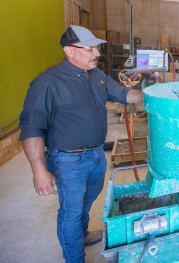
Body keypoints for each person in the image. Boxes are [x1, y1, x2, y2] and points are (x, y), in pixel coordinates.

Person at [19, 25, 143, 263]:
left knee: (89, 198)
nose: (96, 53)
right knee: (71, 212)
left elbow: (124, 95)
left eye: (97, 48)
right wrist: (39, 171)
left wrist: (156, 94)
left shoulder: (96, 75)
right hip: (68, 160)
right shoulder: (47, 83)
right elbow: (32, 130)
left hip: (96, 155)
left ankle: (82, 234)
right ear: (69, 51)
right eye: (89, 49)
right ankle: (74, 258)